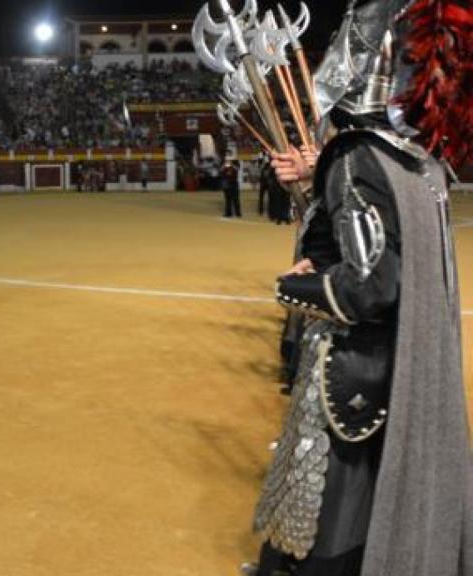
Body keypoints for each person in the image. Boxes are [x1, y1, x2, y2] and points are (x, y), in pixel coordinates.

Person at [244, 1, 473, 575]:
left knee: (334, 515)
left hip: (355, 377)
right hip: (405, 373)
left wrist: (297, 287)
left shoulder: (358, 156)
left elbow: (368, 288)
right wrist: (318, 176)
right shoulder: (424, 160)